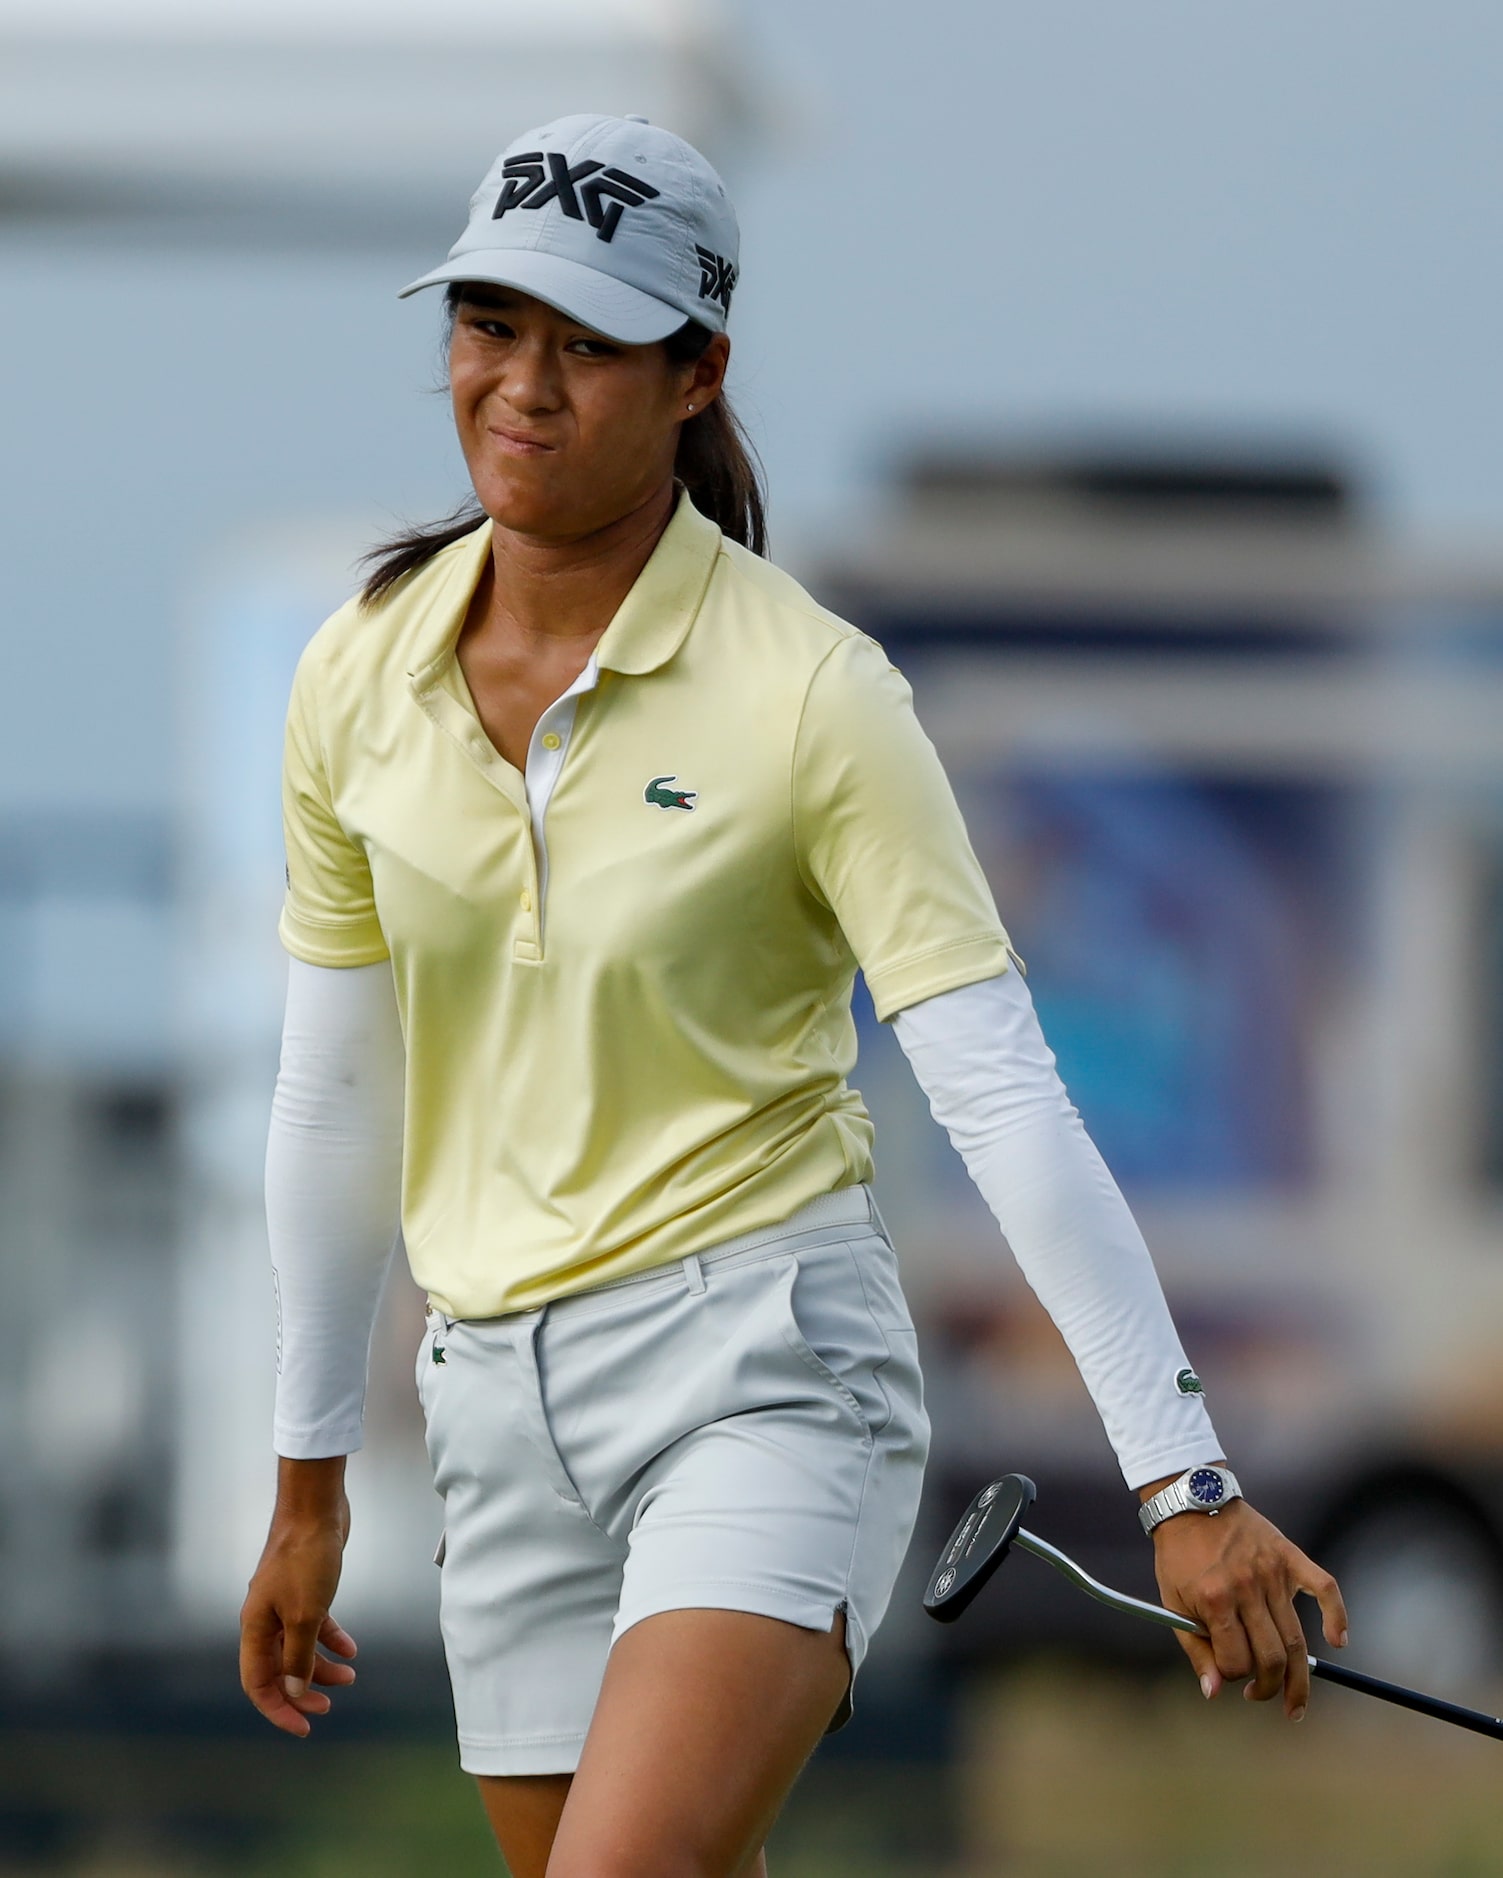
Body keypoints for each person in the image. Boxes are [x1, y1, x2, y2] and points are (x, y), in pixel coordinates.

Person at [238, 113, 1349, 1878]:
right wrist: (306, 1486)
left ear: (698, 373)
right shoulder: (357, 674)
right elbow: (333, 1095)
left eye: (586, 342)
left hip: (760, 1369)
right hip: (493, 1402)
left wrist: (1182, 1483)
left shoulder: (818, 695)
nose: (520, 384)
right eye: (488, 324)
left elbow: (1002, 1096)